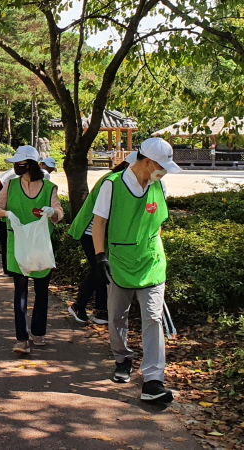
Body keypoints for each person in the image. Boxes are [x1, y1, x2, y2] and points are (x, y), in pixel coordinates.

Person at [92, 138, 180, 402]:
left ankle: (153, 381)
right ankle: (123, 359)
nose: (164, 171)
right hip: (120, 262)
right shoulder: (113, 185)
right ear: (148, 162)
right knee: (117, 317)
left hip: (151, 263)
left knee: (153, 319)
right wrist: (100, 257)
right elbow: (99, 223)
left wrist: (154, 249)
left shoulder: (159, 185)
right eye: (161, 166)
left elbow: (158, 223)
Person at [0, 145, 64, 354]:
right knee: (20, 292)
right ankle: (22, 339)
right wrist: (5, 214)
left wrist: (53, 212)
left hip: (40, 246)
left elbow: (60, 212)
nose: (15, 167)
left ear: (29, 164)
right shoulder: (11, 186)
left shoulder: (50, 188)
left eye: (19, 164)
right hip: (17, 246)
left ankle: (38, 333)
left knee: (41, 292)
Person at [67, 156, 133, 324]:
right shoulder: (112, 181)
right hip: (91, 232)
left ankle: (101, 311)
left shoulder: (124, 180)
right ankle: (78, 305)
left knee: (103, 270)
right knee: (99, 269)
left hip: (105, 235)